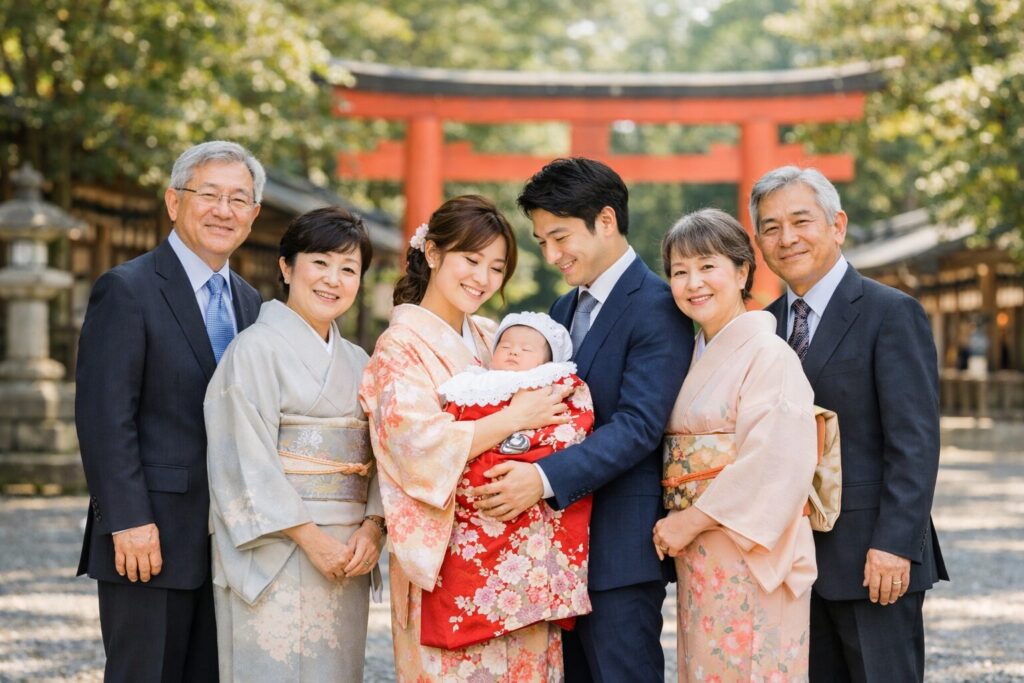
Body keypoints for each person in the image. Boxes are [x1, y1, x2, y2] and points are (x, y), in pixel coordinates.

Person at [472, 157, 693, 682]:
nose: (550, 255)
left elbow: (639, 425)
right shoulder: (562, 309)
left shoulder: (659, 306)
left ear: (608, 221)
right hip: (553, 555)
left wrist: (543, 480)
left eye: (559, 237)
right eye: (541, 240)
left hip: (618, 549)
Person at [75, 140, 265, 681]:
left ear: (253, 215)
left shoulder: (251, 302)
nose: (223, 210)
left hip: (230, 543)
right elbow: (104, 417)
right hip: (150, 537)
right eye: (209, 194)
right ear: (173, 201)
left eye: (238, 199)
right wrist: (129, 521)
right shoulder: (127, 289)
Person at [359, 195, 570, 681]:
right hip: (451, 557)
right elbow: (415, 445)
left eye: (497, 268)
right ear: (432, 253)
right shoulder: (399, 347)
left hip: (517, 556)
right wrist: (515, 417)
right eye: (470, 260)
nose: (482, 278)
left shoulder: (492, 336)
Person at [751, 166, 948, 682]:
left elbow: (916, 442)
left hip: (871, 558)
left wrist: (896, 544)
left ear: (837, 225)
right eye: (770, 227)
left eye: (800, 220)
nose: (786, 238)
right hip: (787, 565)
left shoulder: (890, 313)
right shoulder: (761, 328)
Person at [204, 207, 385, 681]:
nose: (333, 280)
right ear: (286, 267)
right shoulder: (253, 350)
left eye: (349, 269)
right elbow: (243, 461)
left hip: (347, 550)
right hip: (280, 549)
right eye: (320, 263)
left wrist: (373, 526)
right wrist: (311, 538)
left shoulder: (359, 360)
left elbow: (385, 455)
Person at [651, 208, 818, 681]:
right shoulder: (695, 354)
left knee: (751, 664)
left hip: (748, 546)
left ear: (742, 271)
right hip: (702, 550)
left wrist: (689, 520)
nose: (693, 283)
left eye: (707, 266)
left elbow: (776, 461)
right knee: (706, 664)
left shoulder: (769, 354)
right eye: (679, 272)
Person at [420, 311, 595, 650]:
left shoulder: (558, 385)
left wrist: (528, 460)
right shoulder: (473, 387)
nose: (514, 352)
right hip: (472, 507)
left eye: (527, 349)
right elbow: (447, 438)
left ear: (550, 359)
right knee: (462, 576)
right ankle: (467, 620)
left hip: (529, 495)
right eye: (507, 345)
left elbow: (571, 431)